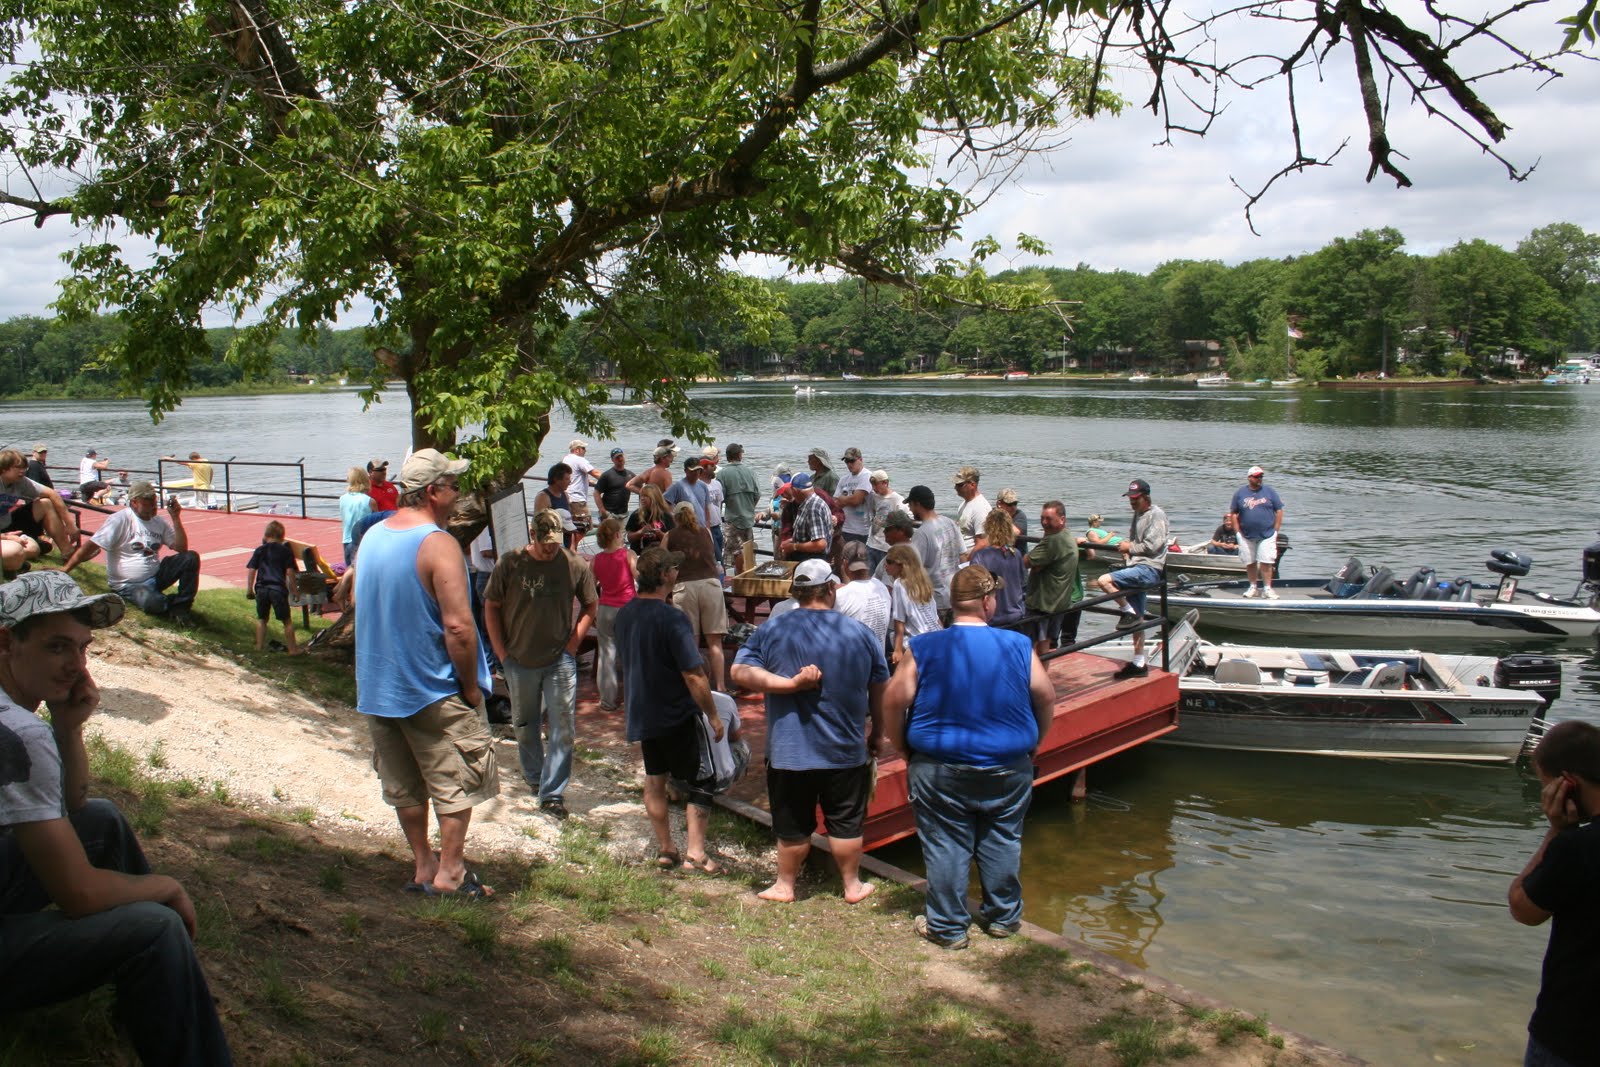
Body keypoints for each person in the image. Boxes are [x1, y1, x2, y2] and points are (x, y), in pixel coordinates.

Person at [0, 571, 234, 1065]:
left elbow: (71, 807)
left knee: (100, 820)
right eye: (57, 648)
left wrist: (68, 729)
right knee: (154, 927)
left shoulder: (15, 718)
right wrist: (167, 887)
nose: (76, 666)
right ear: (7, 641)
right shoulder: (16, 731)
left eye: (83, 649)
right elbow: (79, 895)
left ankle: (155, 991)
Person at [881, 563, 1056, 951]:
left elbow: (894, 700)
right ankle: (1003, 918)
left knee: (945, 843)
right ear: (988, 602)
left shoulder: (924, 647)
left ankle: (947, 926)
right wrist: (1035, 743)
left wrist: (903, 748)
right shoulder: (1017, 645)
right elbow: (1045, 696)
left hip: (939, 765)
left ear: (952, 603)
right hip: (1009, 763)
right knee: (1003, 839)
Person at [352, 448, 499, 897]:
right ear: (433, 492)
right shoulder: (439, 544)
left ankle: (423, 864)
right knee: (455, 781)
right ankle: (451, 872)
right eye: (453, 486)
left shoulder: (374, 536)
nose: (458, 494)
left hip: (379, 686)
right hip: (431, 688)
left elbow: (358, 601)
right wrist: (472, 687)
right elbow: (458, 626)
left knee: (404, 784)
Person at [731, 559, 889, 905]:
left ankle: (785, 885)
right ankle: (852, 885)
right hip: (844, 750)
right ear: (831, 589)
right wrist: (878, 731)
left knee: (792, 825)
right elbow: (880, 686)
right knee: (845, 822)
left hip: (790, 752)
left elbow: (740, 672)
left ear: (796, 593)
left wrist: (787, 685)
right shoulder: (859, 633)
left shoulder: (773, 629)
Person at [613, 548, 724, 872]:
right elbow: (693, 674)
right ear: (663, 575)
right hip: (675, 712)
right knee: (702, 779)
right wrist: (713, 715)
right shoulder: (673, 618)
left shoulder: (625, 614)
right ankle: (696, 852)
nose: (677, 572)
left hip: (642, 711)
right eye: (674, 568)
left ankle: (666, 848)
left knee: (655, 780)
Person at [484, 509, 598, 820]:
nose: (551, 549)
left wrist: (573, 644)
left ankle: (553, 793)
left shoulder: (574, 564)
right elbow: (491, 606)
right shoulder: (510, 563)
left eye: (555, 543)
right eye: (545, 543)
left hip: (559, 659)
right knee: (524, 722)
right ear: (533, 536)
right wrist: (501, 654)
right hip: (519, 658)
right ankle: (535, 776)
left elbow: (591, 604)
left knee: (563, 727)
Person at [1508, 719, 1600, 1067]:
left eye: (1545, 786)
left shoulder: (1578, 847)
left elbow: (1523, 909)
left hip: (1573, 1035)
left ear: (1567, 783)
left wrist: (1557, 831)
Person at [63, 481, 200, 625]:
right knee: (153, 604)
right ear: (135, 502)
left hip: (156, 575)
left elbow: (181, 548)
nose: (153, 506)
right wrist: (66, 569)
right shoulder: (120, 520)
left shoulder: (158, 522)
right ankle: (169, 604)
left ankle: (181, 606)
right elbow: (91, 545)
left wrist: (175, 517)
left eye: (154, 501)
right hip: (129, 584)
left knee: (190, 558)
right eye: (148, 502)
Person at [1094, 478, 1169, 679]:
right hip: (1136, 566)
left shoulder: (1157, 515)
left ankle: (1127, 612)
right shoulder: (1138, 514)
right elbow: (1136, 541)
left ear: (1145, 497)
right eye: (1130, 498)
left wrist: (1130, 548)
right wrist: (1129, 551)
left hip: (1148, 569)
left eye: (1135, 498)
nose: (1132, 501)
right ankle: (1139, 663)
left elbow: (1152, 546)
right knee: (1138, 620)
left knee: (1103, 580)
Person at [664, 501, 728, 692]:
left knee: (692, 640)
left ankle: (695, 686)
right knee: (715, 642)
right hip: (711, 585)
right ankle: (721, 686)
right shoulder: (706, 532)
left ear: (675, 518)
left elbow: (662, 563)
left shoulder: (670, 535)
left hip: (685, 587)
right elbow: (716, 557)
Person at [1025, 501, 1082, 654]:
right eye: (1042, 518)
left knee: (1028, 647)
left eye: (1049, 519)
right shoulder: (1066, 535)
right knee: (1045, 645)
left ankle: (1029, 677)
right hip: (1058, 604)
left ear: (1062, 519)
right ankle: (1041, 676)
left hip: (1042, 605)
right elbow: (1037, 563)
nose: (1044, 523)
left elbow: (1025, 562)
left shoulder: (1053, 541)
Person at [591, 517, 636, 711]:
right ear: (618, 535)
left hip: (605, 608)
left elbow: (590, 588)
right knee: (631, 656)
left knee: (606, 656)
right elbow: (638, 575)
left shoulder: (595, 559)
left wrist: (593, 611)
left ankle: (608, 701)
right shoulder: (628, 555)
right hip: (627, 607)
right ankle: (634, 698)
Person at [0, 449, 76, 557]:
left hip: (8, 524)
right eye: (17, 467)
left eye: (24, 467)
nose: (22, 471)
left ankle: (67, 552)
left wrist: (70, 524)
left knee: (45, 503)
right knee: (32, 550)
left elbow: (52, 494)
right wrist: (5, 537)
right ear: (3, 469)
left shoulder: (21, 481)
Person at [906, 485, 961, 616]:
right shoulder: (951, 523)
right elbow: (963, 555)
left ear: (917, 504)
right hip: (955, 594)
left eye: (911, 505)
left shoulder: (922, 533)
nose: (909, 508)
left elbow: (912, 569)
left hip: (936, 600)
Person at [246, 519, 299, 654]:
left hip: (262, 588)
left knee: (262, 618)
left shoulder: (260, 550)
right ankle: (293, 649)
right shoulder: (285, 551)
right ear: (282, 537)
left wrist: (249, 589)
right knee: (286, 621)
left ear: (266, 536)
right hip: (278, 589)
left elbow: (252, 569)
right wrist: (294, 591)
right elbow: (290, 572)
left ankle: (259, 646)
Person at [970, 508, 1027, 633]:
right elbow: (1023, 585)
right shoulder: (1016, 554)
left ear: (988, 528)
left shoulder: (980, 556)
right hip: (1015, 617)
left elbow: (973, 590)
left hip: (992, 620)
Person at [1232, 464, 1284, 598]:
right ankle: (1253, 587)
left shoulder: (1269, 492)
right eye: (1256, 476)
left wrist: (1276, 530)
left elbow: (1279, 510)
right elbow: (1233, 513)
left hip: (1267, 534)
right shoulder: (1240, 493)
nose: (1259, 479)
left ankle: (1267, 588)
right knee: (1250, 562)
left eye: (1261, 476)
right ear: (1249, 477)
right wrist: (1237, 533)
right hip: (1246, 535)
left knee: (1266, 561)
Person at [885, 543, 941, 666]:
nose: (885, 564)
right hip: (936, 635)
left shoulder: (899, 584)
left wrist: (898, 650)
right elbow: (935, 616)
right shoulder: (923, 582)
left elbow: (899, 620)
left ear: (900, 565)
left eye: (889, 561)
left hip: (919, 639)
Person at [834, 540, 891, 649]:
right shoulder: (881, 587)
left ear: (845, 563)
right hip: (879, 659)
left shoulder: (841, 595)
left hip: (854, 661)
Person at [716, 443, 761, 575]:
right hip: (748, 520)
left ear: (727, 456)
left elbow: (720, 498)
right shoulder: (750, 472)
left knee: (734, 554)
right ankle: (744, 578)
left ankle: (737, 580)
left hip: (732, 520)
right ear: (739, 455)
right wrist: (749, 508)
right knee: (747, 552)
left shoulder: (722, 474)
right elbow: (757, 494)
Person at [778, 472, 832, 563]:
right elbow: (809, 535)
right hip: (807, 561)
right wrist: (792, 540)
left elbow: (820, 544)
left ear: (795, 491)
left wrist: (794, 547)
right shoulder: (807, 504)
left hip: (812, 563)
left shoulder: (813, 508)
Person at [865, 468, 907, 574]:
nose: (874, 488)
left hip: (886, 547)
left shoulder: (897, 499)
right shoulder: (872, 496)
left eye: (876, 484)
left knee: (886, 576)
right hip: (872, 544)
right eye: (872, 485)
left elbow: (905, 520)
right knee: (869, 575)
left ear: (885, 483)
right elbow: (872, 512)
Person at [835, 447, 871, 547]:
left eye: (852, 461)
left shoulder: (867, 476)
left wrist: (843, 499)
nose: (849, 464)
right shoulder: (844, 479)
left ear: (860, 460)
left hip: (862, 530)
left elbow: (856, 500)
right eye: (847, 461)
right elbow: (836, 503)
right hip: (845, 527)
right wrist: (847, 500)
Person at [338, 466, 373, 566]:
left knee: (350, 569)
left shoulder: (342, 499)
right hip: (363, 541)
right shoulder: (369, 501)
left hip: (347, 539)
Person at [560, 439, 599, 527]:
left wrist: (587, 481)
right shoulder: (579, 460)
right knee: (585, 526)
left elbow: (573, 475)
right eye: (583, 448)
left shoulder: (566, 459)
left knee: (572, 526)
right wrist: (609, 479)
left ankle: (573, 541)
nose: (585, 451)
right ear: (577, 449)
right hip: (578, 500)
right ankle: (576, 541)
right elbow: (595, 473)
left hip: (567, 498)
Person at [664, 457, 711, 529]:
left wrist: (707, 525)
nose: (696, 472)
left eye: (698, 470)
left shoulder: (703, 486)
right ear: (686, 471)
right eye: (693, 470)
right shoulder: (678, 486)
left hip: (702, 528)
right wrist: (674, 520)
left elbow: (706, 508)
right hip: (685, 528)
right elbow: (664, 503)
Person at [699, 447, 726, 572]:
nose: (715, 468)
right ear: (703, 469)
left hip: (717, 526)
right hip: (705, 528)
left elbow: (720, 503)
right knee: (716, 559)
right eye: (711, 466)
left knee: (720, 557)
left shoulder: (717, 484)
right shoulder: (698, 486)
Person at [952, 465, 991, 550]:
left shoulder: (980, 508)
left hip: (971, 561)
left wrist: (967, 560)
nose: (955, 487)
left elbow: (983, 543)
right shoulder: (964, 504)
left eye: (959, 485)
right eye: (955, 484)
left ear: (972, 485)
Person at [626, 484, 675, 551]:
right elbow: (629, 538)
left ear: (654, 498)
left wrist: (659, 533)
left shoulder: (666, 516)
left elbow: (672, 541)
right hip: (640, 553)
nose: (642, 498)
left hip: (660, 554)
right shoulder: (636, 515)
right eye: (641, 496)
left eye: (646, 496)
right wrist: (641, 532)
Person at [594, 447, 634, 522]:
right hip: (609, 513)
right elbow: (596, 493)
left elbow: (642, 488)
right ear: (613, 460)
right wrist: (602, 510)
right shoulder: (607, 475)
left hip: (624, 514)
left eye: (621, 456)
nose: (620, 459)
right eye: (617, 457)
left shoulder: (630, 475)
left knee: (622, 534)